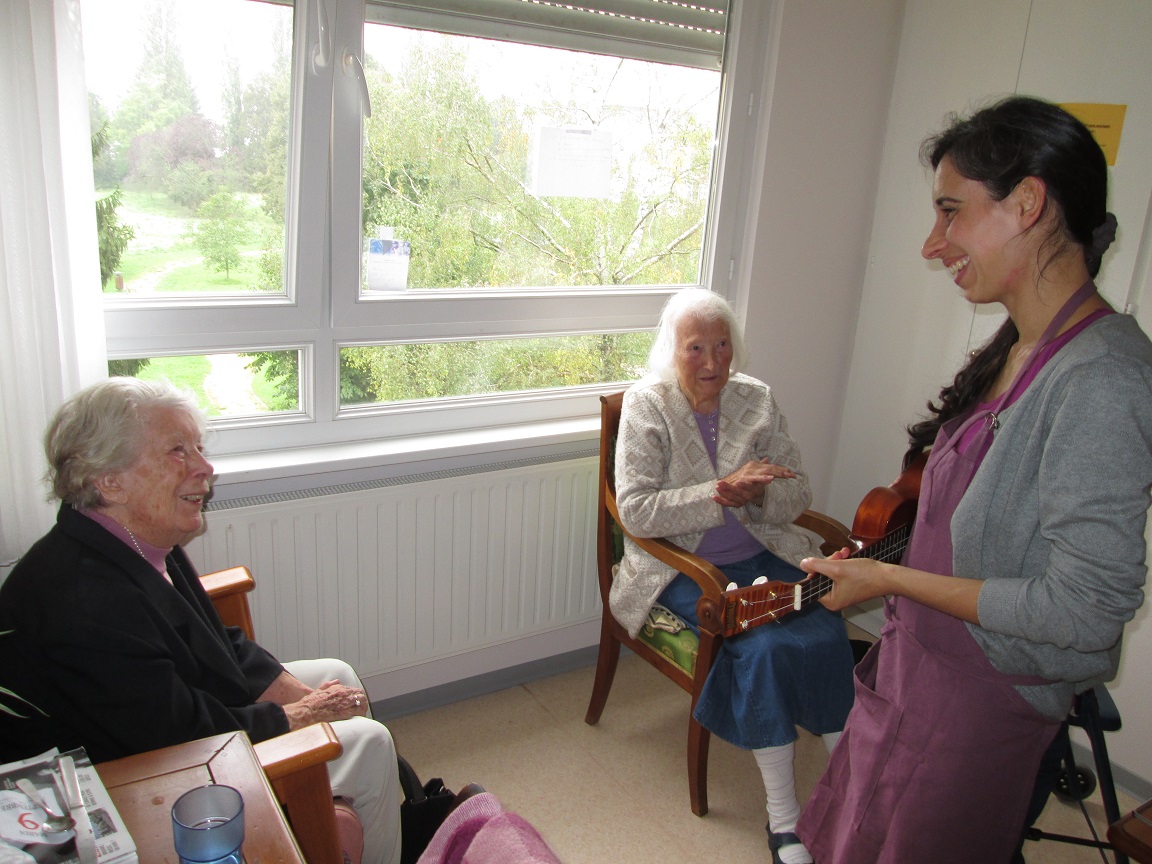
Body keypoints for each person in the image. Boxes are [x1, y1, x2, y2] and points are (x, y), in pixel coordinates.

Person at [795, 96, 1152, 863]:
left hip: (977, 706)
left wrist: (891, 578)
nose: (934, 243)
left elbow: (1083, 613)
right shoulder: (1020, 348)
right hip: (916, 674)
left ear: (1027, 203)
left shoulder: (1104, 378)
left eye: (951, 212)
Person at [0, 377, 403, 864]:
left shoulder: (131, 542)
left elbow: (219, 641)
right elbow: (178, 738)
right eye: (177, 451)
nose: (205, 468)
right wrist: (302, 715)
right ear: (109, 479)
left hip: (163, 722)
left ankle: (361, 815)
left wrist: (304, 697)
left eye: (198, 448)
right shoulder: (82, 601)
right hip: (120, 782)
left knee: (336, 675)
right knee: (368, 743)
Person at [611, 287, 855, 864]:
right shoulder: (648, 405)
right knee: (764, 645)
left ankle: (852, 786)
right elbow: (637, 510)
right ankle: (784, 820)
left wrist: (759, 492)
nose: (713, 362)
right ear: (673, 350)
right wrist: (718, 494)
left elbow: (798, 493)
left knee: (825, 628)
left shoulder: (758, 400)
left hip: (762, 548)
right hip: (683, 564)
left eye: (722, 345)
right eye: (696, 347)